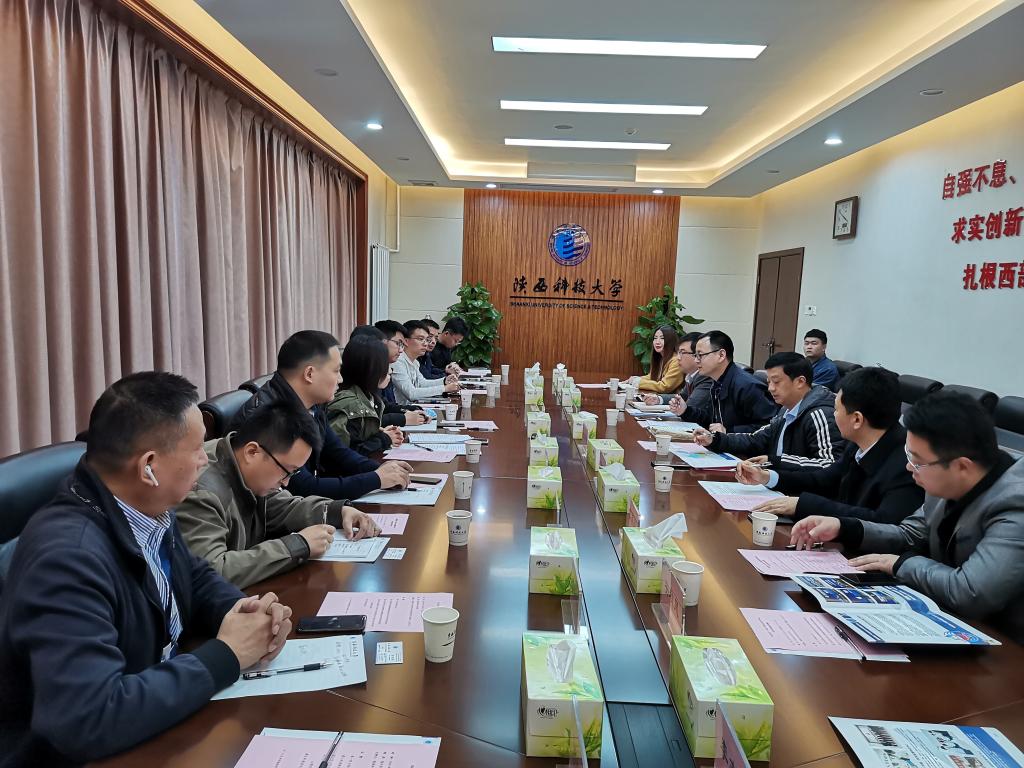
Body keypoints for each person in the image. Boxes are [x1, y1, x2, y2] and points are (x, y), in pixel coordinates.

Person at [0, 372, 292, 765]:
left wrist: (241, 611)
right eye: (196, 449)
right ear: (149, 467)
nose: (205, 459)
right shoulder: (67, 559)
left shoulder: (145, 506)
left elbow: (193, 575)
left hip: (155, 716)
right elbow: (86, 718)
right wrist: (228, 654)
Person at [790, 391, 1024, 641]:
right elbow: (911, 533)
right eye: (909, 455)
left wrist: (901, 564)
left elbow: (971, 592)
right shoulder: (944, 481)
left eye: (918, 461)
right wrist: (844, 527)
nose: (909, 467)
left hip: (1006, 645)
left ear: (962, 466)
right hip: (950, 622)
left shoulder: (1014, 504)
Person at [177, 401, 380, 589]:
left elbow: (281, 507)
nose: (286, 482)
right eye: (286, 471)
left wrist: (338, 511)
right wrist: (298, 545)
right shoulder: (200, 492)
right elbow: (213, 571)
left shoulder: (245, 466)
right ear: (252, 452)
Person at [232, 330, 412, 500]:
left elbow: (337, 452)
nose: (341, 379)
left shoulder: (311, 404)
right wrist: (376, 479)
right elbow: (302, 488)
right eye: (336, 371)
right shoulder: (270, 415)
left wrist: (382, 469)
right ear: (310, 374)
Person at [735, 366, 922, 523]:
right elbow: (824, 480)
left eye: (836, 409)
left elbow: (882, 521)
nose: (833, 414)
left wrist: (802, 505)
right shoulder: (857, 444)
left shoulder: (907, 463)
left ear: (857, 419)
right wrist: (768, 477)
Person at [696, 351, 844, 469]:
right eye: (769, 382)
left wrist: (776, 461)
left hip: (798, 493)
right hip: (777, 482)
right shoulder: (786, 410)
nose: (771, 388)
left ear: (800, 381)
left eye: (777, 382)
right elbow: (755, 439)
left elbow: (830, 464)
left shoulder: (820, 414)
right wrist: (714, 439)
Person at [669, 330, 777, 433]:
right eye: (695, 356)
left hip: (741, 446)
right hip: (726, 442)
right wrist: (685, 411)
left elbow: (770, 427)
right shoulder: (718, 382)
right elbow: (711, 420)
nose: (696, 360)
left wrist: (729, 431)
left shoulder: (747, 386)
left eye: (700, 355)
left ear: (721, 355)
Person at [327, 336, 405, 456]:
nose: (389, 371)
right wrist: (383, 439)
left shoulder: (369, 397)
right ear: (370, 369)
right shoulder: (350, 404)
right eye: (385, 365)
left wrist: (380, 433)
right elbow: (345, 454)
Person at [371, 321, 430, 427]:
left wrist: (411, 410)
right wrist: (403, 418)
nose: (401, 350)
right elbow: (367, 422)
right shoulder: (371, 373)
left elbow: (386, 406)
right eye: (398, 343)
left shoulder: (385, 367)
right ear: (382, 343)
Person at [391, 320, 460, 404]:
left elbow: (422, 383)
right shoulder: (397, 361)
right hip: (402, 410)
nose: (426, 344)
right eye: (421, 339)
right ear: (406, 341)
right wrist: (444, 388)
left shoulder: (415, 362)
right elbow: (411, 393)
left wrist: (444, 381)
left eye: (426, 340)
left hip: (414, 407)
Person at [644, 332, 713, 410]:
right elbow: (682, 397)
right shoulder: (692, 375)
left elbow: (690, 407)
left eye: (682, 352)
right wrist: (658, 399)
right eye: (678, 352)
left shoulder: (705, 377)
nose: (678, 358)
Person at [637, 325, 684, 394]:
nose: (657, 342)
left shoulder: (676, 361)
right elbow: (653, 376)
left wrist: (638, 382)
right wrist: (636, 379)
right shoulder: (660, 357)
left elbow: (664, 386)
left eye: (662, 338)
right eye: (655, 338)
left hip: (670, 399)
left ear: (670, 341)